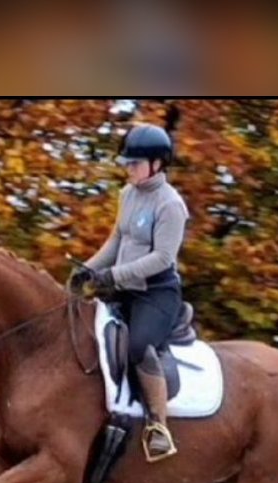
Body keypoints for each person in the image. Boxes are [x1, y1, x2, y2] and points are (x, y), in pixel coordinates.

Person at [70, 123, 189, 462]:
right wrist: (89, 269)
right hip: (122, 288)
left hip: (156, 293)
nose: (128, 168)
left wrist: (113, 275)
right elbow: (117, 240)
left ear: (156, 164)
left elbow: (162, 258)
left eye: (134, 163)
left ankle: (158, 427)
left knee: (137, 346)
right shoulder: (128, 194)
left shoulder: (171, 205)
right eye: (127, 163)